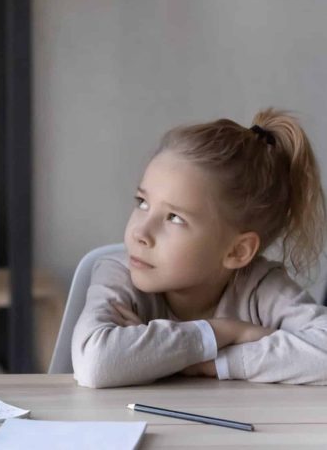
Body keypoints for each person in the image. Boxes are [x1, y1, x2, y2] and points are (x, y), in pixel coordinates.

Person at [72, 109, 327, 388]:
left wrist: (217, 362)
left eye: (174, 218)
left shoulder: (259, 287)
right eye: (142, 202)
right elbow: (95, 364)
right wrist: (223, 332)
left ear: (237, 251)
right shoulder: (119, 274)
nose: (140, 232)